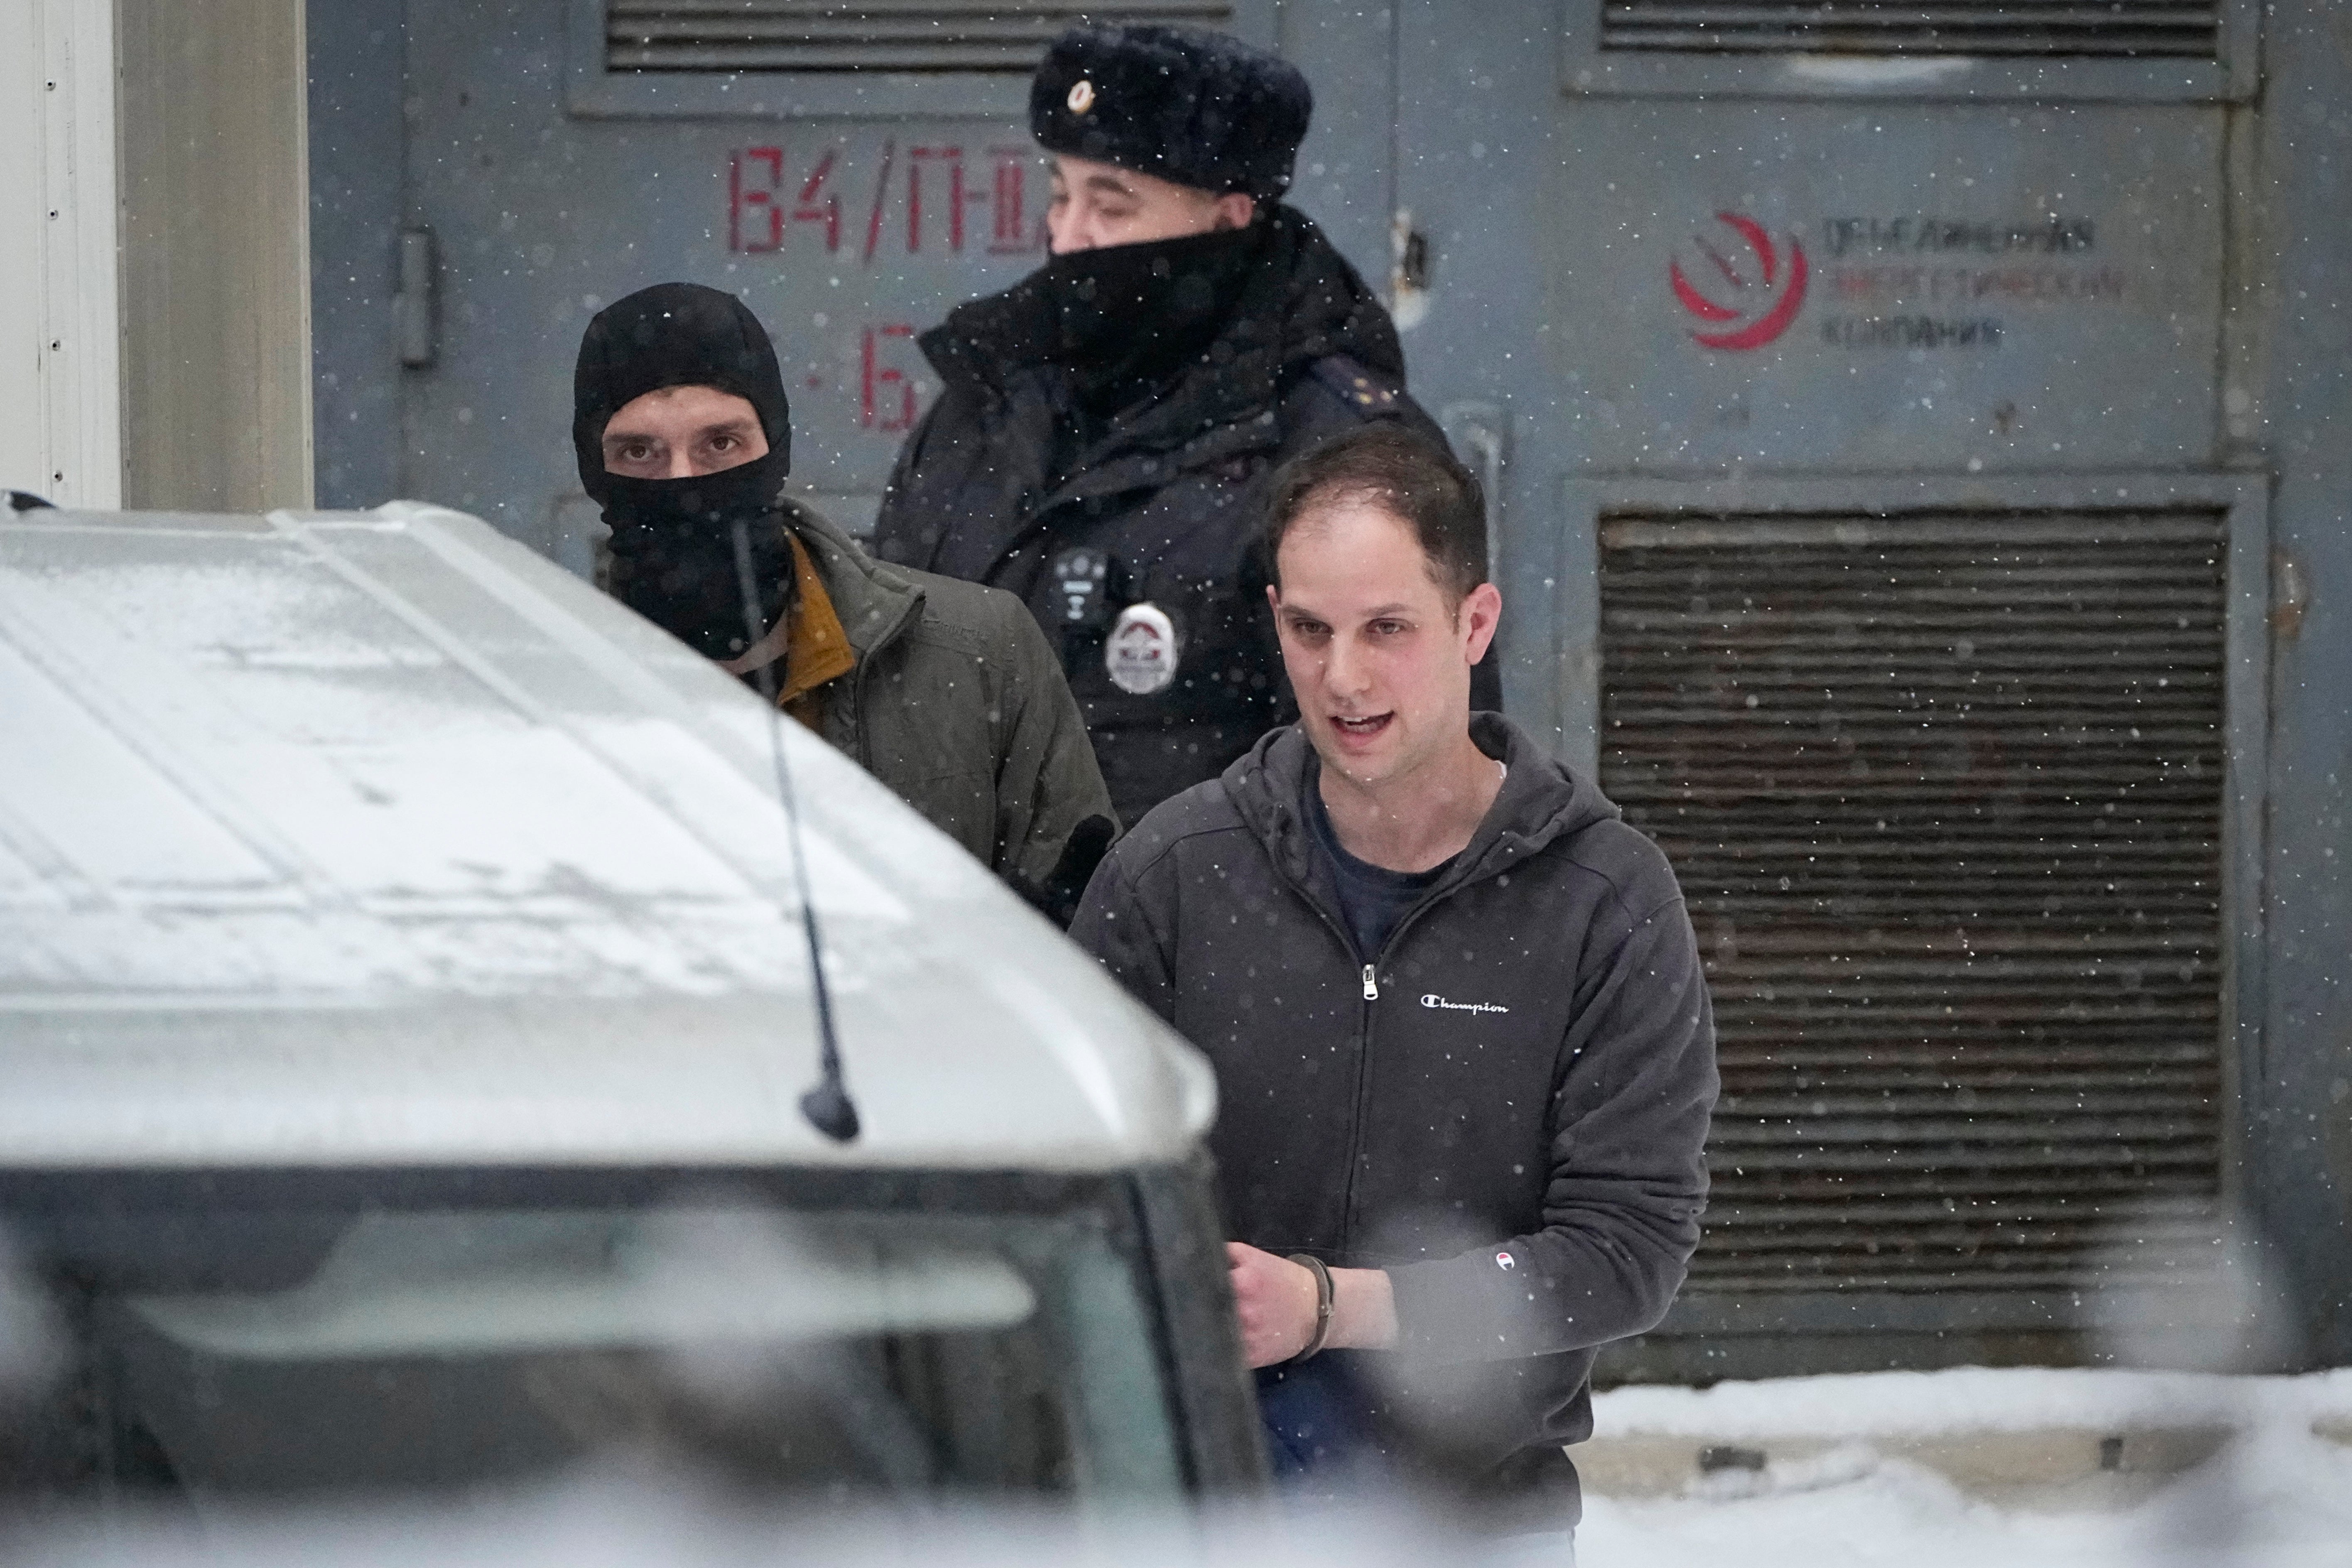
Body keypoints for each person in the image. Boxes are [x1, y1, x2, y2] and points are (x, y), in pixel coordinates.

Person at [1070, 426, 1716, 1543]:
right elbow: (1070, 1184)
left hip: (1477, 1516)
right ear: (1275, 621)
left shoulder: (1603, 899)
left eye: (1388, 630)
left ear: (1475, 622)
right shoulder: (1176, 873)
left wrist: (1335, 1310)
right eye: (1310, 631)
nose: (1345, 677)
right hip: (1211, 1513)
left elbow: (1626, 1253)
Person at [873, 22, 1496, 829]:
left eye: (1113, 205)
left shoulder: (1339, 451)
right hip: (964, 937)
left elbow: (1411, 796)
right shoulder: (986, 401)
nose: (1069, 237)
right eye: (1062, 195)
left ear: (1229, 217)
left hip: (1189, 948)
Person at [574, 281, 1116, 921]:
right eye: (639, 453)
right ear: (593, 468)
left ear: (774, 447)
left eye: (721, 443)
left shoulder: (977, 657)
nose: (685, 482)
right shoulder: (538, 691)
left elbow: (1086, 944)